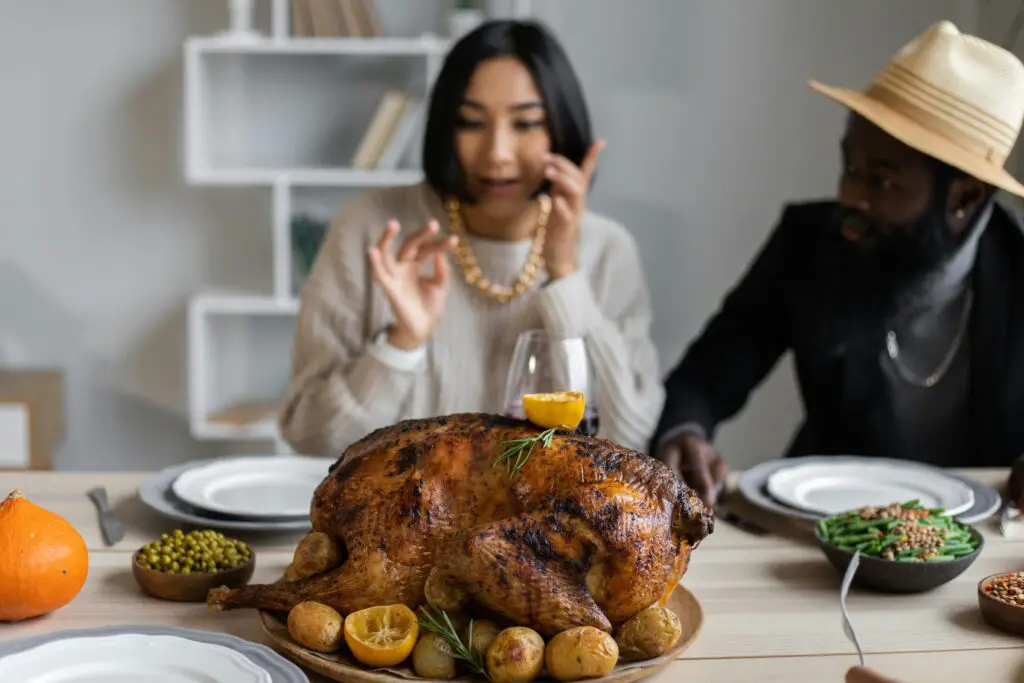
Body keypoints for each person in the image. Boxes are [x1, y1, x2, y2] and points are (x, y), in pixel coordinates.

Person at [651, 21, 1024, 507]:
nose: (850, 196)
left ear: (964, 198)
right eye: (849, 166)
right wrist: (685, 433)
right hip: (822, 536)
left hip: (986, 552)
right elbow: (707, 375)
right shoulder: (811, 242)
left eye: (881, 182)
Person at [279, 19, 662, 456]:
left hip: (542, 522)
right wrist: (400, 345)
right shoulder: (370, 228)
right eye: (471, 122)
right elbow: (307, 435)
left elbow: (629, 437)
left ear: (562, 129)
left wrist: (565, 277)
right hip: (404, 521)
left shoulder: (608, 250)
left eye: (525, 124)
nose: (497, 152)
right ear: (445, 127)